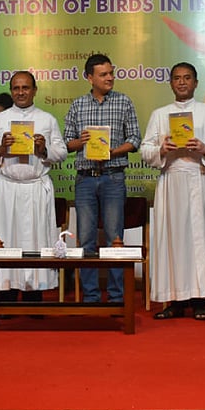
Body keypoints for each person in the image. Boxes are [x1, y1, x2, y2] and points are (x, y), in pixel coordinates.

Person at [141, 63, 205, 321]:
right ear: (171, 83)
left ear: (195, 82)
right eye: (177, 78)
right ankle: (174, 301)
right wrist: (161, 149)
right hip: (171, 181)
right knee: (173, 241)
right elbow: (145, 150)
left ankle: (200, 301)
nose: (182, 82)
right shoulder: (160, 114)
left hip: (200, 178)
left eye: (187, 78)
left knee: (199, 240)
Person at [0, 71, 67, 303]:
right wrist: (0, 149)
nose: (21, 92)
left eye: (25, 88)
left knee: (35, 240)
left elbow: (61, 153)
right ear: (11, 91)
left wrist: (44, 150)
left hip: (35, 189)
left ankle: (34, 296)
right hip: (6, 189)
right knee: (5, 240)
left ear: (34, 90)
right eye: (16, 88)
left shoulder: (47, 119)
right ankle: (6, 295)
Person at [64, 54, 141, 303]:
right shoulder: (77, 105)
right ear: (90, 77)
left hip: (113, 177)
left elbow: (135, 140)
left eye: (111, 73)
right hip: (85, 179)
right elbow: (66, 143)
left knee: (114, 239)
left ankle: (117, 297)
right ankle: (91, 296)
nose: (109, 78)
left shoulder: (123, 102)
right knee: (86, 239)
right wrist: (82, 142)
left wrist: (112, 152)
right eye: (103, 74)